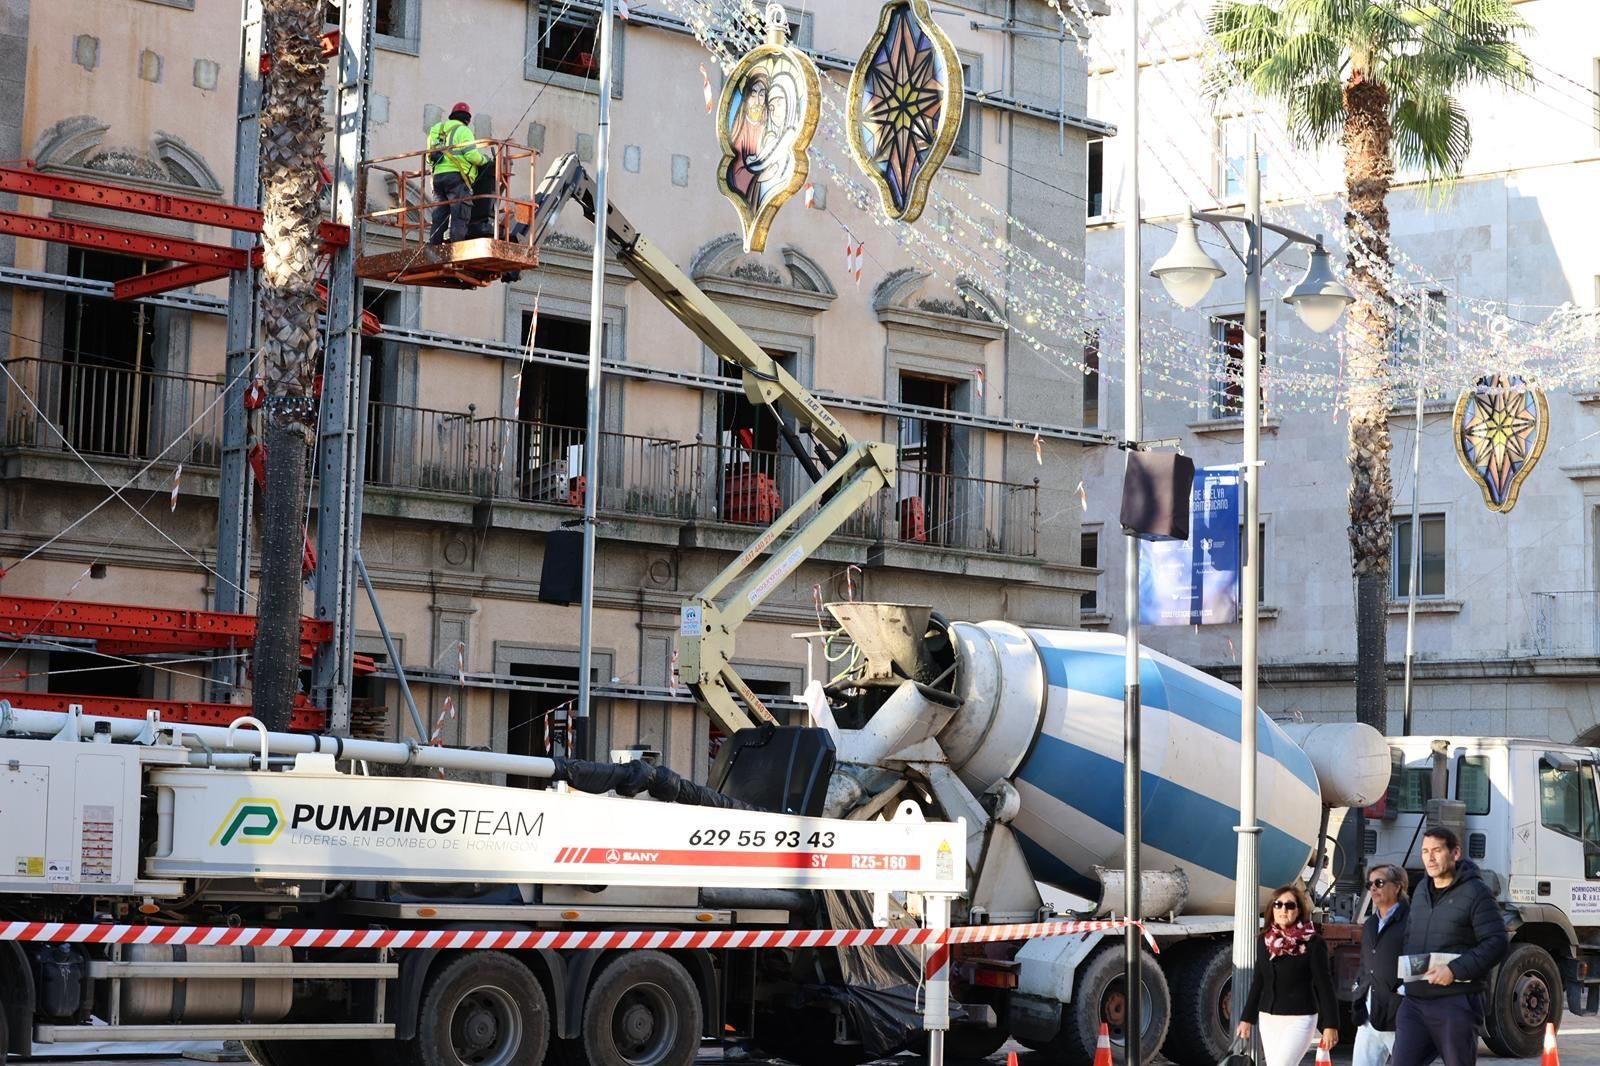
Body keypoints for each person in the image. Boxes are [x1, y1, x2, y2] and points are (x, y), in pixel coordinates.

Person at [1392, 827, 1509, 1066]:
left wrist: (1455, 970)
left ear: (1455, 853)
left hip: (1454, 1002)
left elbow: (1497, 942)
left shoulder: (1476, 893)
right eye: (1425, 851)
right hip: (1414, 1001)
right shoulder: (1422, 890)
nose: (1430, 858)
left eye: (1436, 850)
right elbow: (1410, 935)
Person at [1237, 883, 1340, 1066]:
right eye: (1278, 904)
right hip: (1268, 1018)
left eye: (1290, 905)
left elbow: (1324, 986)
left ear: (1299, 910)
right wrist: (1246, 1019)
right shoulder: (1265, 941)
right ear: (1272, 908)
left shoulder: (1313, 943)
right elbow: (1259, 982)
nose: (1283, 909)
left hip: (1300, 1018)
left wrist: (1330, 1024)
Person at [1352, 864, 1410, 1066]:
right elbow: (1365, 963)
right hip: (1369, 1014)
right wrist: (1359, 987)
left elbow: (1420, 961)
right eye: (1370, 884)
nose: (1373, 888)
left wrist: (1404, 991)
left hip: (1399, 1015)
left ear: (1398, 887)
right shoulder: (1370, 924)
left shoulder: (1412, 921)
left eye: (1379, 882)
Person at [426, 102, 489, 244]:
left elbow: (430, 157)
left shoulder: (436, 129)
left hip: (438, 178)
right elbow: (471, 155)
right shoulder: (463, 131)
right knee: (459, 214)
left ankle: (434, 245)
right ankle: (456, 249)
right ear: (467, 119)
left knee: (439, 214)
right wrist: (484, 160)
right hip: (457, 178)